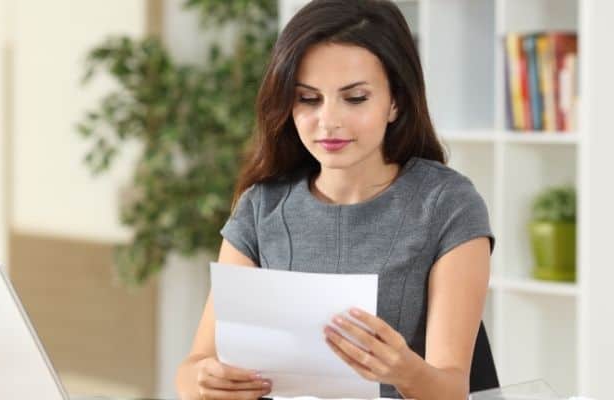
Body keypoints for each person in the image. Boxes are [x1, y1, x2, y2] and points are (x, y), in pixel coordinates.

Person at [175, 0, 497, 398]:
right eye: (309, 99)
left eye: (355, 98)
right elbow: (194, 368)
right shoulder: (261, 207)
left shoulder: (447, 204)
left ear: (395, 101)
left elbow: (452, 389)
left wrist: (404, 370)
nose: (329, 121)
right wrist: (204, 380)